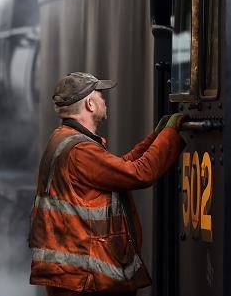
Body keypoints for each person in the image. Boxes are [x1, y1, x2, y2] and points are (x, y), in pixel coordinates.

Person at [29, 72, 185, 296]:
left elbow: (118, 169)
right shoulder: (79, 151)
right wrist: (170, 134)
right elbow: (139, 173)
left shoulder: (65, 139)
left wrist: (157, 137)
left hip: (75, 277)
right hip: (84, 280)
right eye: (100, 96)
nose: (105, 101)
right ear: (90, 104)